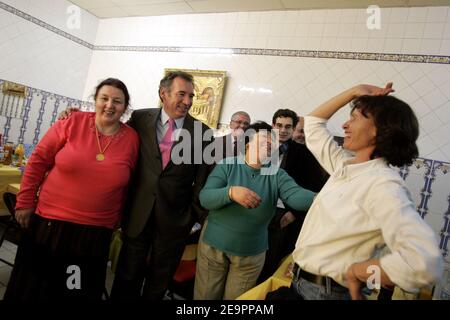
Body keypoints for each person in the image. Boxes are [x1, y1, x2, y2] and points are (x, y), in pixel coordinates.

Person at [291, 83, 443, 300]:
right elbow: (313, 123)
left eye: (355, 118)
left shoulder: (383, 185)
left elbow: (424, 262)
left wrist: (358, 272)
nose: (345, 125)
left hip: (326, 294)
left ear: (379, 130)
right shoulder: (344, 166)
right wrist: (354, 90)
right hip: (301, 284)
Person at [5, 78, 139, 300]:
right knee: (36, 286)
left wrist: (118, 218)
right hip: (50, 224)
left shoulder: (132, 139)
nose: (109, 105)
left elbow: (129, 182)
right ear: (95, 100)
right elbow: (38, 161)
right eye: (104, 98)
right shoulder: (72, 121)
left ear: (125, 107)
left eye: (117, 101)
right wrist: (25, 202)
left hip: (94, 233)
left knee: (73, 289)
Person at [110, 71, 212, 300]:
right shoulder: (140, 119)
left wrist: (191, 216)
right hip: (138, 214)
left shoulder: (202, 132)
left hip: (175, 221)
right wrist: (78, 117)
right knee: (127, 277)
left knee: (158, 284)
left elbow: (202, 180)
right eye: (182, 94)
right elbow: (111, 133)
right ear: (163, 94)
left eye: (191, 96)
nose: (187, 102)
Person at [194, 122, 316, 300]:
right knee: (206, 295)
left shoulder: (277, 175)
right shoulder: (228, 165)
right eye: (264, 137)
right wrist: (230, 192)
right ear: (248, 142)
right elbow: (205, 198)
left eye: (272, 140)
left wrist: (321, 198)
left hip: (250, 255)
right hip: (214, 247)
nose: (270, 141)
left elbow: (296, 196)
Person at [256, 109, 328, 284]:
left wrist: (294, 213)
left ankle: (262, 293)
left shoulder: (305, 154)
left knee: (271, 258)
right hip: (256, 207)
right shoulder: (259, 146)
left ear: (294, 128)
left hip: (283, 214)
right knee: (251, 256)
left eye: (288, 126)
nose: (283, 130)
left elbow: (314, 187)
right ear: (273, 125)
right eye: (279, 125)